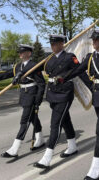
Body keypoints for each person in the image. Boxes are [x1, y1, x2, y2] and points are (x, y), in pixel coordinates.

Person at [64, 29, 99, 180]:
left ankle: (95, 168)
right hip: (97, 95)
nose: (94, 42)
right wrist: (64, 77)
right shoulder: (90, 57)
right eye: (93, 40)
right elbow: (78, 69)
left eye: (96, 40)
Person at [0, 44, 46, 157]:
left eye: (23, 52)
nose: (20, 54)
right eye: (19, 52)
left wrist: (38, 99)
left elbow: (42, 84)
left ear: (29, 53)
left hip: (32, 95)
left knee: (24, 121)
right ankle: (40, 139)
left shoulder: (35, 66)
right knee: (33, 118)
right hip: (23, 95)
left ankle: (14, 149)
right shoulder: (17, 66)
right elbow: (4, 75)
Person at [33, 35, 84, 168]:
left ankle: (47, 157)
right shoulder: (49, 59)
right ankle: (72, 146)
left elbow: (80, 71)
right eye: (51, 44)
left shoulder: (69, 57)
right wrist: (20, 74)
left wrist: (92, 87)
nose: (53, 46)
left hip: (64, 94)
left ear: (62, 44)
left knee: (55, 123)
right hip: (51, 94)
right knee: (65, 120)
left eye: (56, 43)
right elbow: (34, 69)